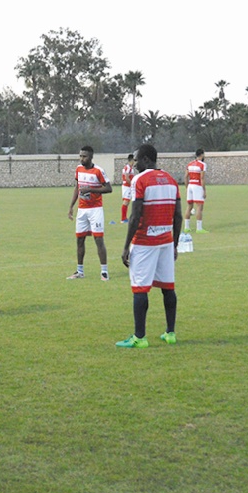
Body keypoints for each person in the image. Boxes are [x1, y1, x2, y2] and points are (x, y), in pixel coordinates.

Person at [116, 143, 182, 348]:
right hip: (166, 242)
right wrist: (175, 245)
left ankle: (139, 337)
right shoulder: (171, 180)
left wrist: (126, 246)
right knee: (168, 287)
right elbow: (178, 216)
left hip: (145, 242)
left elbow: (135, 216)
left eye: (136, 160)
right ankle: (170, 333)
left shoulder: (140, 180)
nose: (134, 165)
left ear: (146, 159)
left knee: (140, 288)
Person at [67, 145, 113, 281]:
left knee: (98, 239)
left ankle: (104, 272)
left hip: (95, 210)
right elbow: (77, 187)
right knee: (80, 239)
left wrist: (91, 189)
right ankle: (79, 271)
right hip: (82, 210)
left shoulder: (98, 171)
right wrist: (71, 206)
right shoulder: (78, 169)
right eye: (80, 156)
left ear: (91, 157)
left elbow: (109, 188)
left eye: (84, 156)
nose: (82, 159)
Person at [184, 149, 207, 233]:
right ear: (202, 155)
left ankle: (186, 227)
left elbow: (186, 176)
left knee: (189, 206)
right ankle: (199, 228)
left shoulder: (189, 164)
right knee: (199, 207)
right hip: (197, 185)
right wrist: (204, 190)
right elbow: (202, 178)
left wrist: (187, 187)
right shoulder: (202, 165)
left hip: (190, 185)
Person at [120, 153, 136, 223]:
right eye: (134, 160)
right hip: (127, 187)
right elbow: (127, 178)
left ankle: (124, 218)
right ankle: (123, 219)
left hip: (126, 186)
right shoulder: (128, 167)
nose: (134, 162)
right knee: (126, 202)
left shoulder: (128, 167)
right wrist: (132, 185)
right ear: (131, 160)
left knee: (127, 201)